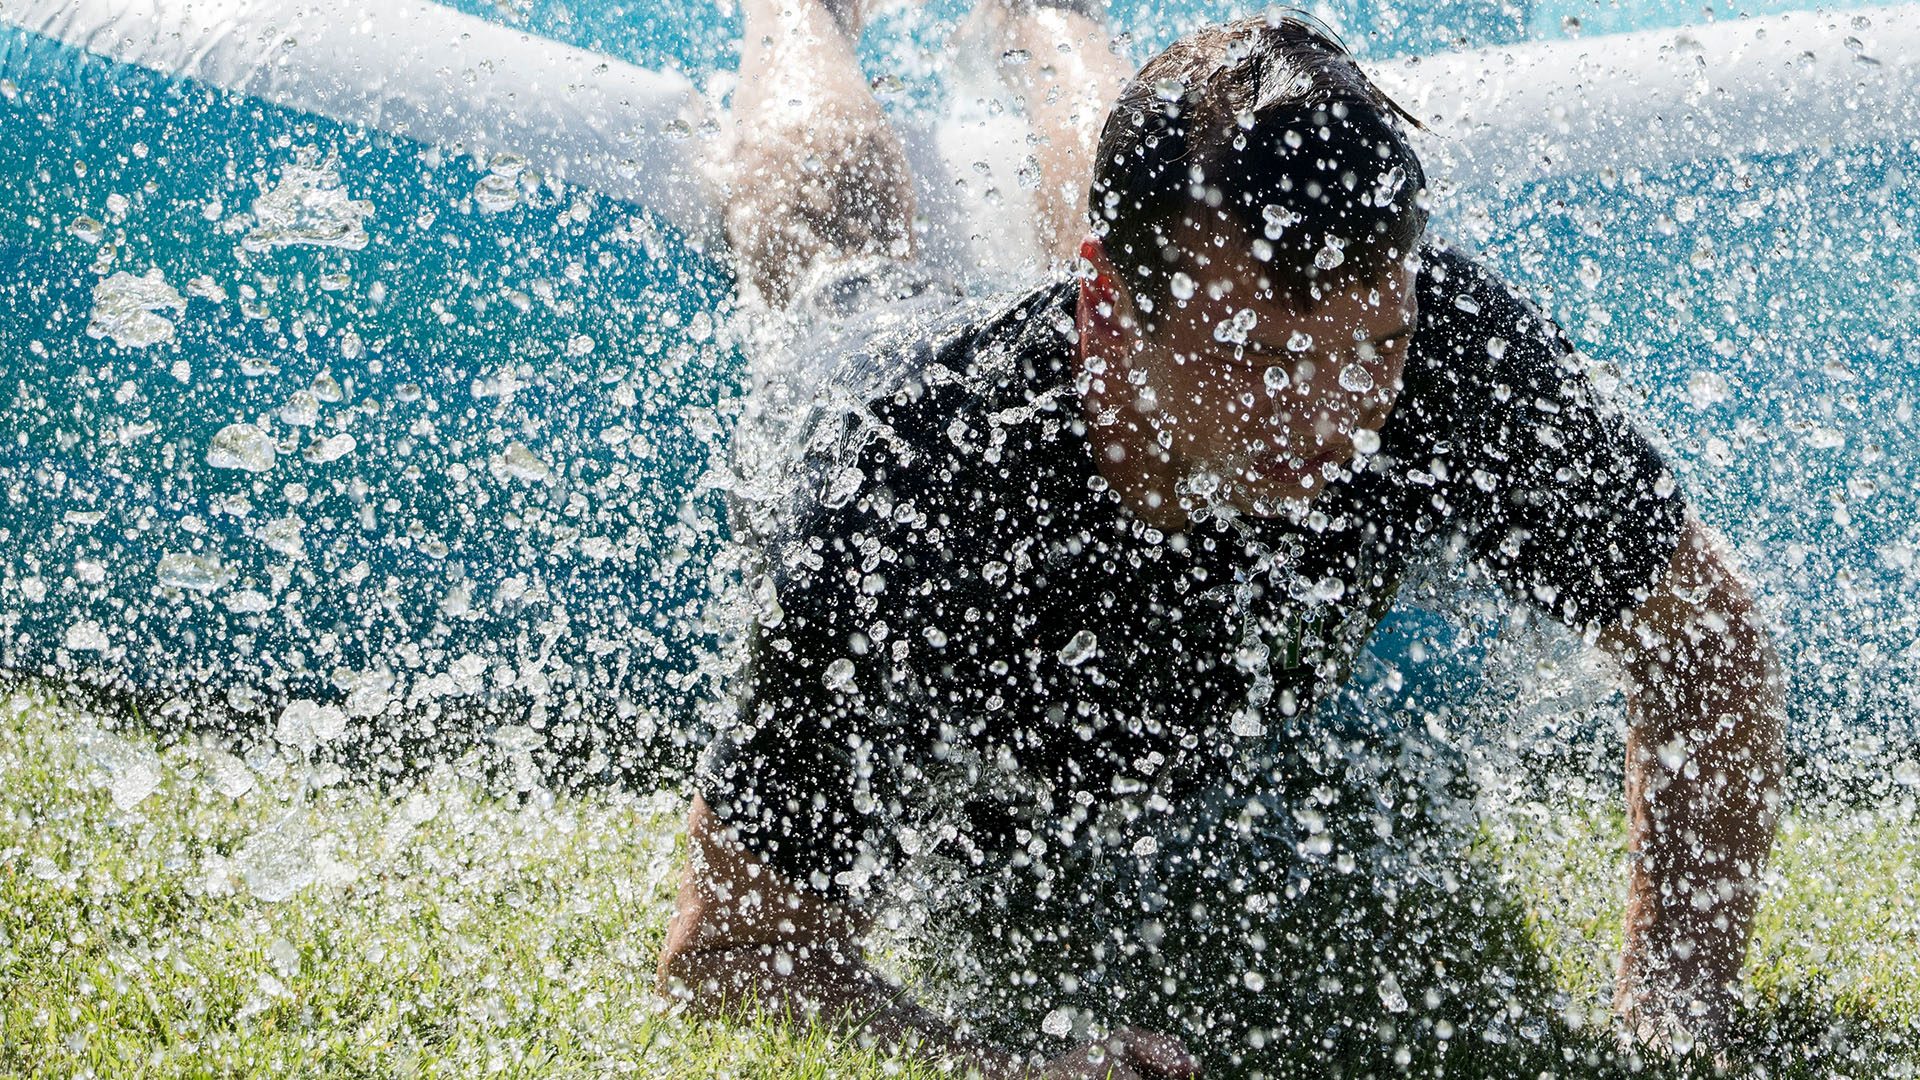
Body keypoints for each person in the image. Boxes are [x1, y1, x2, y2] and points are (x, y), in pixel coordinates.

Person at [659, 1, 1786, 1075]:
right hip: (856, 365)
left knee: (1151, 256)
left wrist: (1669, 1024)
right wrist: (991, 1066)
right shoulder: (909, 489)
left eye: (1374, 346)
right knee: (833, 264)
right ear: (1100, 313)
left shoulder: (1440, 349)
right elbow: (730, 958)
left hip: (1134, 336)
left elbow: (1709, 642)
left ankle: (1050, 12)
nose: (1333, 419)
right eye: (1256, 357)